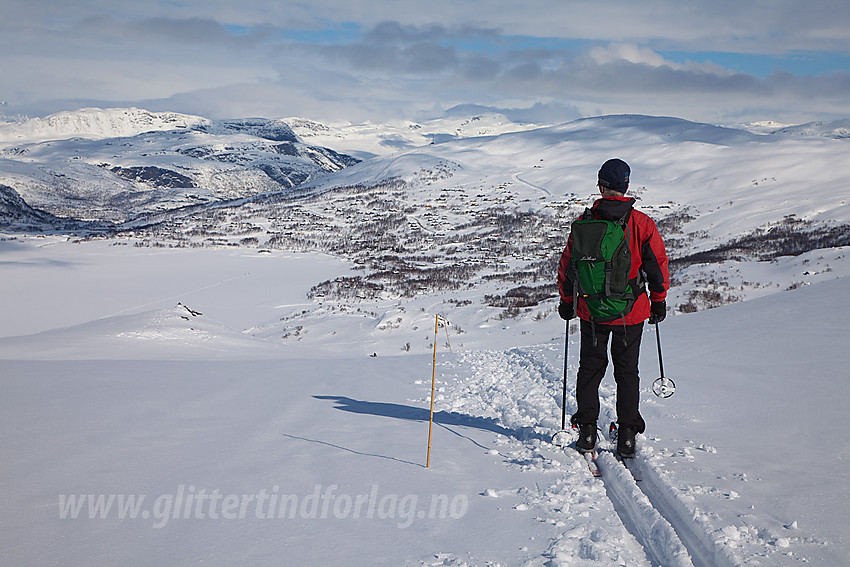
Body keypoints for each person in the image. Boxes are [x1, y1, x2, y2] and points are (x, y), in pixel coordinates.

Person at [557, 158, 669, 458]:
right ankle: (628, 434)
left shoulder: (583, 224)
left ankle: (588, 431)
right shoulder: (641, 224)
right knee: (627, 371)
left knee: (591, 369)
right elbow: (656, 268)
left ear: (600, 186)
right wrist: (658, 302)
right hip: (629, 313)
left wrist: (567, 302)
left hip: (591, 312)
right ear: (626, 187)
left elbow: (567, 267)